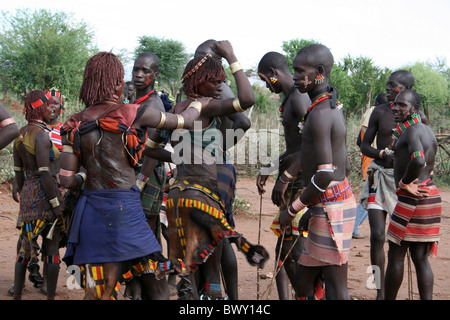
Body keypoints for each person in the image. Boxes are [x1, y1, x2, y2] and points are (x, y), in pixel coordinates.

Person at [59, 51, 205, 300]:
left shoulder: (73, 124)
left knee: (97, 289)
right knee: (156, 283)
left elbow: (67, 180)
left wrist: (85, 178)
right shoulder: (131, 113)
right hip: (125, 210)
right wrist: (200, 102)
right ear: (116, 83)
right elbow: (184, 120)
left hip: (91, 211)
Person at [144, 40, 268, 300]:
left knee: (186, 263)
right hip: (204, 194)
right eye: (215, 79)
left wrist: (181, 156)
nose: (219, 84)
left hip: (177, 194)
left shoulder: (176, 108)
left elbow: (150, 148)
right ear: (200, 77)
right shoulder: (207, 103)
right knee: (212, 265)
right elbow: (247, 101)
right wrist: (233, 56)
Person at [279, 44, 357, 300]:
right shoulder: (327, 107)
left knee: (336, 286)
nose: (295, 77)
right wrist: (313, 209)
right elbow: (341, 166)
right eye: (294, 71)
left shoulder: (321, 114)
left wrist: (292, 210)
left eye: (300, 71)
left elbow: (325, 174)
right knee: (304, 281)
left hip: (331, 206)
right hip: (330, 203)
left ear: (320, 72)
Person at [194, 39, 251, 300]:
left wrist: (216, 148)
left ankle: (223, 296)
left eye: (204, 61)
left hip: (215, 168)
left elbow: (242, 120)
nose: (199, 66)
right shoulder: (206, 90)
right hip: (210, 165)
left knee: (217, 235)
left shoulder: (220, 89)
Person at [256, 51, 310, 300]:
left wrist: (286, 176)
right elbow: (294, 146)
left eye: (265, 79)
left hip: (303, 180)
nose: (266, 85)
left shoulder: (299, 98)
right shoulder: (291, 98)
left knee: (291, 247)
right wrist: (270, 167)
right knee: (284, 246)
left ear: (273, 74)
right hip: (295, 177)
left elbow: (311, 145)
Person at [359, 70, 415, 299]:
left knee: (397, 243)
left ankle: (389, 293)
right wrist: (380, 153)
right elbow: (364, 146)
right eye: (388, 85)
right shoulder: (379, 112)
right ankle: (379, 291)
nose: (389, 89)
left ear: (407, 90)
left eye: (394, 86)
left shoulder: (417, 118)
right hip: (379, 175)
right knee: (376, 237)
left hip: (403, 183)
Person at [385, 90, 441, 300]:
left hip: (413, 198)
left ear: (414, 110)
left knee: (396, 255)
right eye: (395, 104)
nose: (396, 108)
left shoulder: (412, 131)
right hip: (430, 194)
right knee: (420, 258)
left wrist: (404, 182)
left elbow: (418, 160)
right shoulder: (427, 130)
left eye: (402, 105)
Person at [12, 90, 65, 300]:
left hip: (28, 194)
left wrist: (26, 197)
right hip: (46, 194)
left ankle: (17, 293)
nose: (51, 108)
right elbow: (45, 173)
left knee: (25, 246)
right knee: (51, 248)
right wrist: (55, 204)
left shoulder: (20, 134)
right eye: (47, 105)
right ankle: (50, 296)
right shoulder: (42, 135)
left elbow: (18, 173)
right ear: (40, 108)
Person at [353, 93, 389, 239]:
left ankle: (353, 227)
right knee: (372, 195)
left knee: (374, 195)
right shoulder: (377, 113)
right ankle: (353, 226)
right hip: (375, 160)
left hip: (370, 158)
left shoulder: (371, 114)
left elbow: (359, 142)